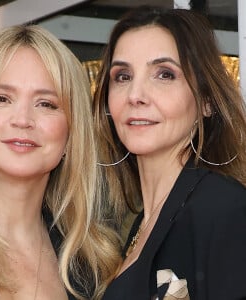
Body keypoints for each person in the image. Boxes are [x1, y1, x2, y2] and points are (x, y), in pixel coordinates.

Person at [0, 25, 121, 300]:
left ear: (72, 133)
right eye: (1, 98)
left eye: (47, 104)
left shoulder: (97, 263)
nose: (23, 119)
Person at [93, 6, 246, 300]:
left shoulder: (225, 210)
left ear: (206, 101)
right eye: (122, 76)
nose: (135, 95)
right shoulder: (136, 225)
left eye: (164, 74)